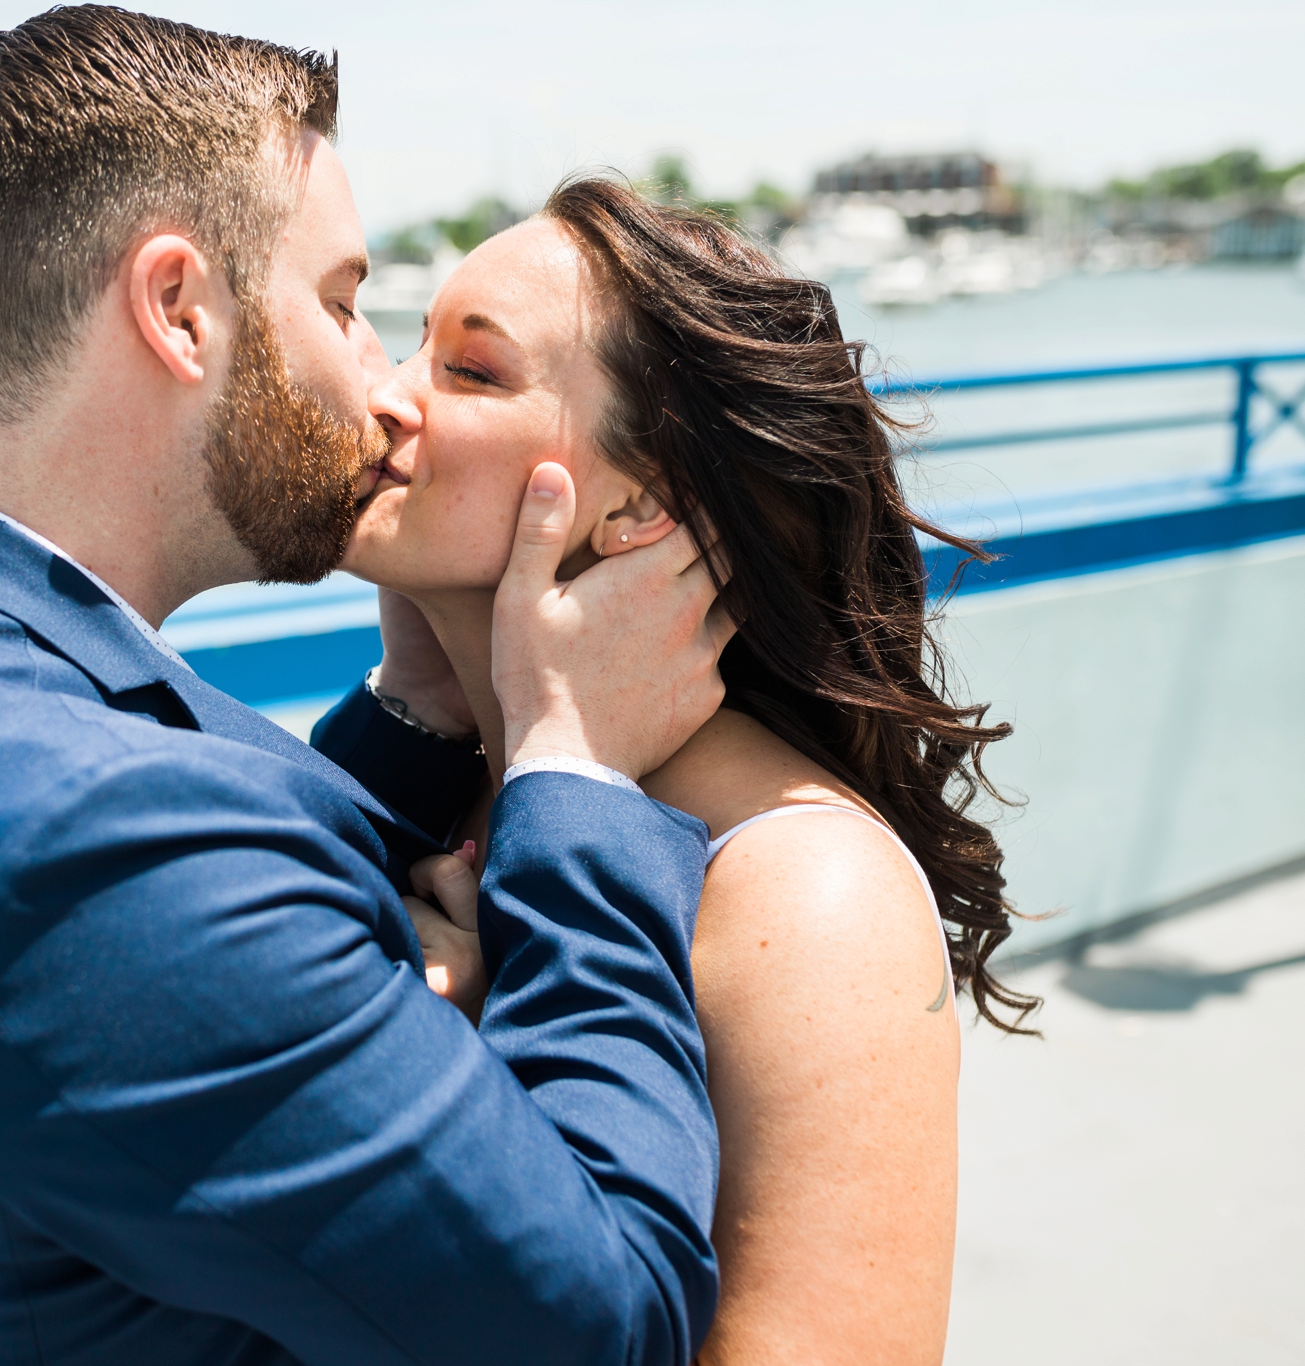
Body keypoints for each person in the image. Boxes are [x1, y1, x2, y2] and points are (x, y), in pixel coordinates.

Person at [0, 11, 736, 1366]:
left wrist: (420, 721)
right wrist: (578, 772)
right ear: (179, 309)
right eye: (345, 303)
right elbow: (610, 1321)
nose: (380, 385)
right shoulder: (101, 858)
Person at [345, 176, 1040, 1364]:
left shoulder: (802, 891)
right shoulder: (449, 781)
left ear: (638, 514)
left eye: (470, 370)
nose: (381, 394)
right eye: (413, 339)